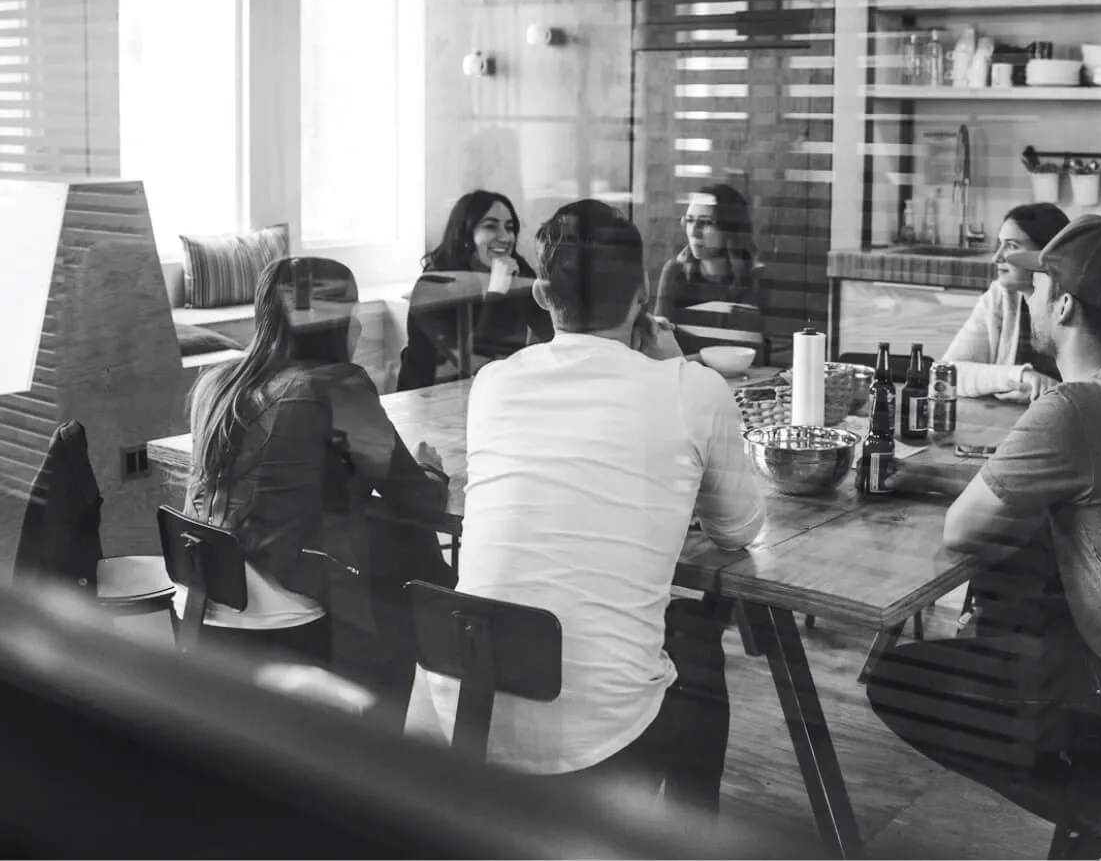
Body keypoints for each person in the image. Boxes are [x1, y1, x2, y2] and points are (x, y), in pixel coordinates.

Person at [867, 216, 1101, 859]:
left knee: (902, 682)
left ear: (1066, 304)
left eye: (1042, 286)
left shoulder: (1076, 408)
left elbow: (961, 530)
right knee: (1028, 601)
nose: (1032, 297)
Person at [407, 199, 764, 812]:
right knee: (698, 642)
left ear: (542, 293)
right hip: (599, 739)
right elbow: (739, 528)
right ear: (645, 293)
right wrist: (673, 368)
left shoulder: (493, 384)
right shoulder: (691, 389)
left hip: (462, 708)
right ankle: (686, 837)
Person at [182, 257, 452, 693]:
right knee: (409, 554)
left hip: (203, 601)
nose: (360, 325)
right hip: (286, 613)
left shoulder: (217, 385)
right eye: (354, 311)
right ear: (336, 321)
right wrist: (432, 472)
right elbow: (415, 499)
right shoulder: (337, 386)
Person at [397, 190, 554, 389]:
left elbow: (553, 334)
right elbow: (478, 364)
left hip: (494, 394)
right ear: (465, 235)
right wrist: (498, 291)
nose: (505, 237)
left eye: (509, 227)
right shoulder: (432, 286)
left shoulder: (517, 271)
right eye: (490, 226)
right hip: (428, 403)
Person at [941, 202, 1069, 400]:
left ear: (1046, 254)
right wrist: (1020, 376)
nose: (996, 257)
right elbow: (947, 373)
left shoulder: (1077, 305)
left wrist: (1052, 391)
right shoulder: (999, 298)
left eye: (1011, 246)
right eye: (999, 244)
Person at [653, 183, 765, 357]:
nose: (694, 232)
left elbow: (739, 355)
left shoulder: (752, 279)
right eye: (689, 220)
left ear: (730, 230)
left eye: (706, 223)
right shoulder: (675, 273)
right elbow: (658, 346)